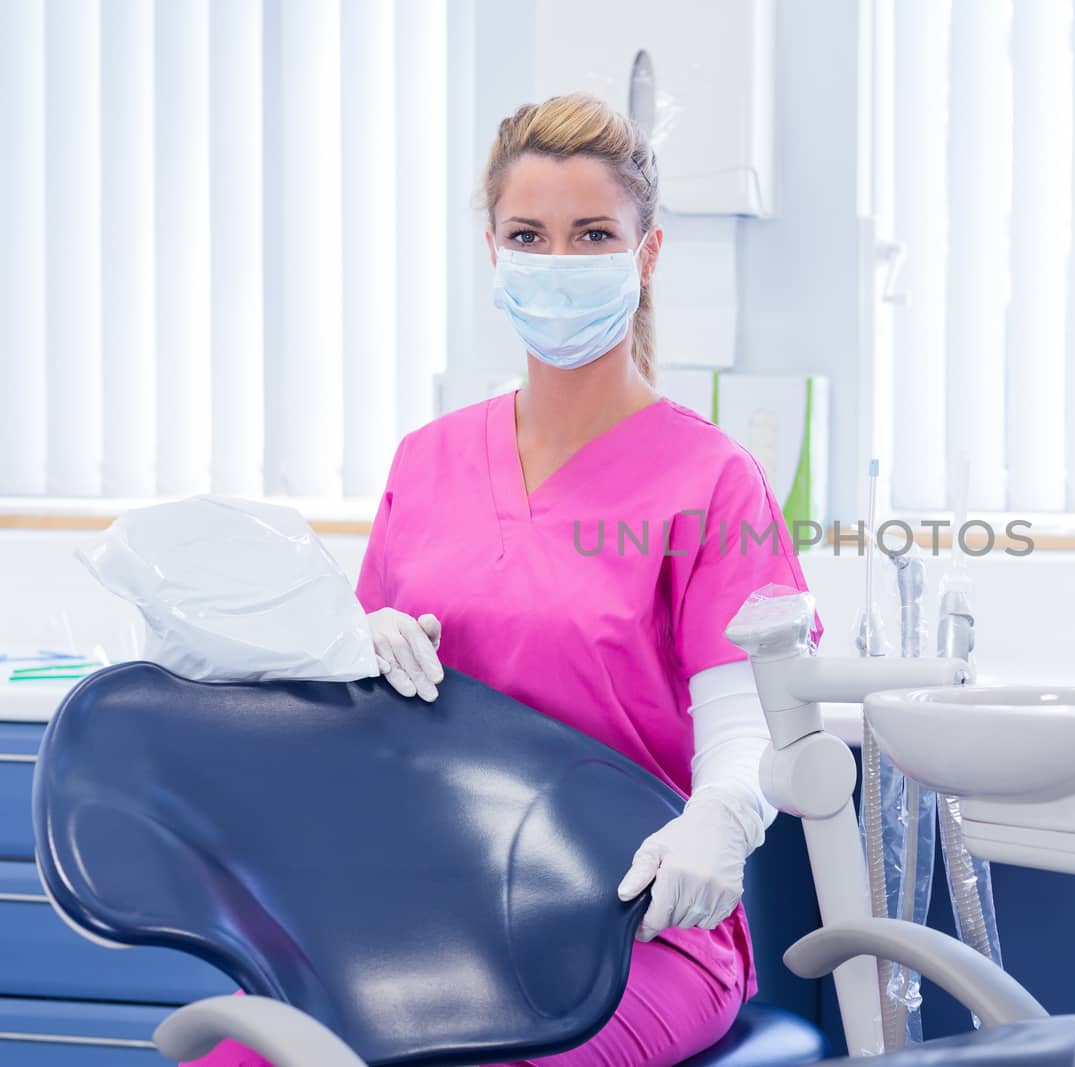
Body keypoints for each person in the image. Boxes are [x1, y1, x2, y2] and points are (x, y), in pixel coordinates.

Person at [189, 93, 816, 1067]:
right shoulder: (427, 462)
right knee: (245, 1049)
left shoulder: (710, 479)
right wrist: (358, 653)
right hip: (429, 905)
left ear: (645, 255)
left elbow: (748, 722)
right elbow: (355, 722)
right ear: (493, 248)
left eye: (592, 233)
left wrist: (721, 820)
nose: (558, 262)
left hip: (633, 923)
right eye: (530, 234)